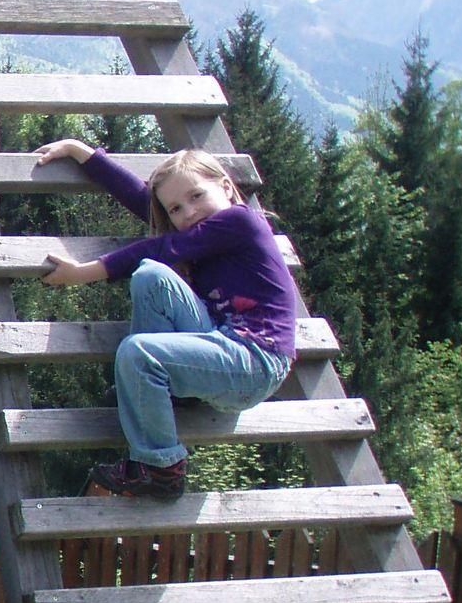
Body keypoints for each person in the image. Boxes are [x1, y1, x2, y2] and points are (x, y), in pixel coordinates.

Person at [33, 139, 297, 499]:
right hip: (219, 344)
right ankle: (162, 392)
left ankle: (160, 468)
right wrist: (81, 152)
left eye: (196, 196)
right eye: (176, 208)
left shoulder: (239, 220)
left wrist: (84, 273)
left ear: (225, 187)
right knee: (150, 276)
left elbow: (162, 246)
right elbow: (143, 201)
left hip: (254, 362)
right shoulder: (198, 232)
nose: (188, 212)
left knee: (138, 352)